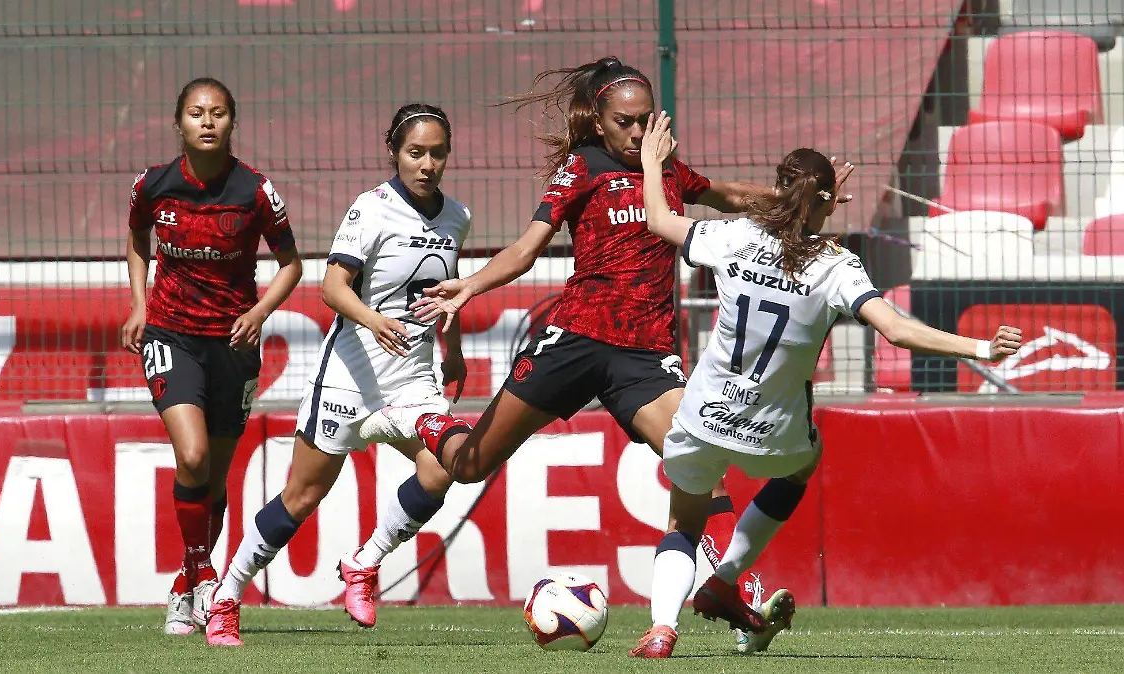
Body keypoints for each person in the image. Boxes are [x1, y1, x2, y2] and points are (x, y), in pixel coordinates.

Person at [404, 57, 810, 651]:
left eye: (646, 120)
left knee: (699, 465)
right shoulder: (582, 167)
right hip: (575, 340)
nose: (638, 132)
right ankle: (425, 421)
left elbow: (724, 195)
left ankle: (736, 589)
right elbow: (526, 249)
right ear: (598, 122)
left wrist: (790, 200)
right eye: (625, 122)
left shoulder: (664, 169)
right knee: (467, 467)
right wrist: (470, 286)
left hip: (644, 357)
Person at [627, 113, 1023, 658]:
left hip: (703, 415)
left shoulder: (732, 236)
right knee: (803, 463)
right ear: (827, 204)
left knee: (684, 520)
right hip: (772, 431)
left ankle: (661, 630)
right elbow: (897, 330)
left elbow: (658, 219)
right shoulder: (836, 266)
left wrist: (652, 163)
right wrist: (981, 348)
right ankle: (726, 579)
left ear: (778, 189)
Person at [200, 104, 471, 647]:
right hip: (351, 375)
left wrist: (455, 351)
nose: (427, 164)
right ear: (394, 152)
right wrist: (373, 320)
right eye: (415, 153)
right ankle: (226, 596)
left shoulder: (457, 216)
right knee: (301, 497)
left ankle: (364, 562)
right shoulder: (371, 209)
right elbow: (331, 287)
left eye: (437, 154)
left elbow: (448, 287)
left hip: (413, 379)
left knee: (448, 465)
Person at [121, 77, 303, 636]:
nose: (207, 121)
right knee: (193, 456)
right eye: (197, 113)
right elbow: (137, 241)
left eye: (218, 113)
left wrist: (260, 312)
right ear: (178, 123)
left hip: (233, 345)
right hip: (170, 336)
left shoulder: (255, 191)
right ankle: (204, 573)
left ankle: (185, 583)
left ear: (232, 123)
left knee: (215, 478)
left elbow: (292, 264)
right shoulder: (153, 185)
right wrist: (139, 305)